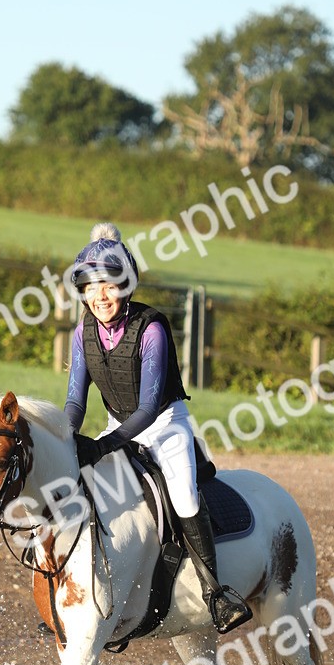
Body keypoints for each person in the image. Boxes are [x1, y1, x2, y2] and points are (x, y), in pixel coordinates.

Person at [64, 222, 251, 634]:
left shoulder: (151, 328)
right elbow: (76, 401)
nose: (100, 296)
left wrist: (103, 446)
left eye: (109, 285)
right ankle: (72, 591)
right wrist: (66, 435)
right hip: (117, 425)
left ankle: (215, 594)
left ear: (126, 286)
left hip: (165, 425)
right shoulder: (82, 333)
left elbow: (149, 407)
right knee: (80, 484)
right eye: (91, 288)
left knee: (183, 495)